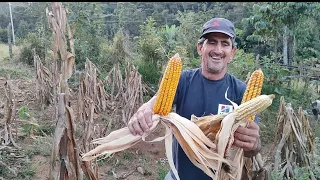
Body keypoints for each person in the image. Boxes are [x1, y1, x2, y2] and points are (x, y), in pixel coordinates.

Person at [127, 17, 262, 180]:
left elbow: (252, 149)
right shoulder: (182, 80)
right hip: (178, 176)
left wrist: (253, 144)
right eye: (212, 42)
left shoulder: (241, 91)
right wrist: (146, 109)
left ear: (232, 53)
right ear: (200, 48)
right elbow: (156, 102)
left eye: (225, 43)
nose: (218, 50)